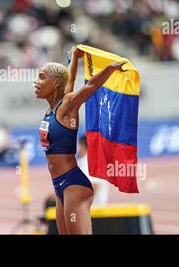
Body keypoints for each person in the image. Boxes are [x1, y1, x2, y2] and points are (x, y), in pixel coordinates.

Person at [34, 46, 126, 234]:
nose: (36, 82)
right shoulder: (55, 106)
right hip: (59, 185)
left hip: (73, 184)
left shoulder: (67, 106)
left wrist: (110, 68)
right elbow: (71, 79)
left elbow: (89, 87)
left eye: (42, 77)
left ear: (56, 83)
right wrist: (75, 57)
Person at [77, 135, 110, 207]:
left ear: (82, 146)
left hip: (94, 209)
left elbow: (93, 186)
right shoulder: (84, 162)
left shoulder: (92, 162)